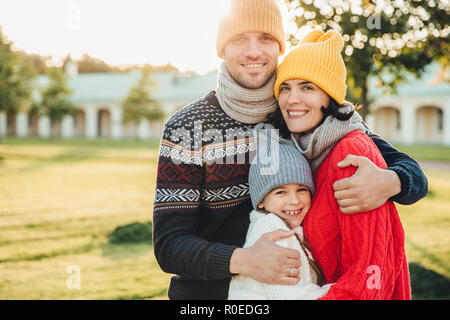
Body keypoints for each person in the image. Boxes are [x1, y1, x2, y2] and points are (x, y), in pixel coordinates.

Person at [153, 0, 426, 300]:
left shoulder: (296, 111)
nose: (254, 51)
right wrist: (244, 260)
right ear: (222, 49)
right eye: (239, 39)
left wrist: (392, 181)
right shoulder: (187, 127)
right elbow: (169, 245)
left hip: (301, 289)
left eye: (266, 38)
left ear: (280, 47)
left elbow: (410, 172)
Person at [272, 29, 411, 299]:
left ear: (329, 97)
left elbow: (369, 280)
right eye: (285, 88)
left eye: (307, 87)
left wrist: (395, 180)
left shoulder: (350, 153)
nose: (292, 99)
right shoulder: (302, 151)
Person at [228, 123, 332, 300]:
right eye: (281, 192)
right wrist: (340, 290)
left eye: (302, 189)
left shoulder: (286, 225)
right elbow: (287, 294)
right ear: (261, 201)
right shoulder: (272, 229)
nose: (294, 200)